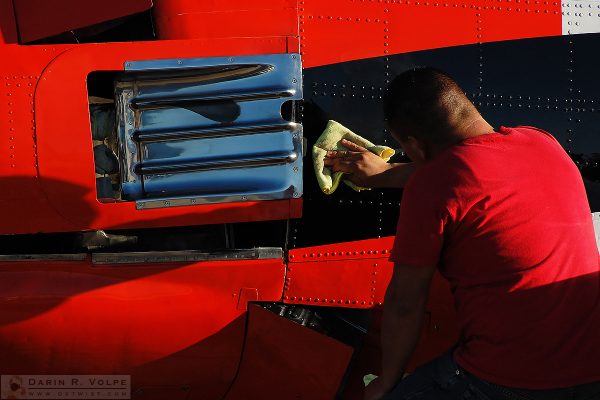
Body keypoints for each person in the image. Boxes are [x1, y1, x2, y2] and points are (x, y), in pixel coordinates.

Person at [324, 68, 600, 400]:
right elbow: (470, 170)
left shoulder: (433, 186)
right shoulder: (542, 141)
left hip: (514, 378)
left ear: (414, 145)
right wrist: (385, 173)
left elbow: (405, 304)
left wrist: (386, 381)